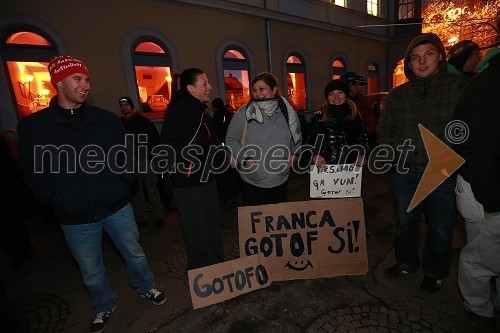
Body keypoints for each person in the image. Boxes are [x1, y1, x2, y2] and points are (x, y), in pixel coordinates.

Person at [17, 55, 166, 333]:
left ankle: (146, 286)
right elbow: (32, 171)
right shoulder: (35, 128)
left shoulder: (106, 120)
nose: (85, 85)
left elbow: (125, 158)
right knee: (91, 269)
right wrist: (55, 199)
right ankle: (103, 304)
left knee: (134, 252)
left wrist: (123, 185)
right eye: (78, 79)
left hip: (116, 207)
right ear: (59, 83)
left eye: (87, 79)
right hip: (74, 217)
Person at [378, 33, 470, 293]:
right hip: (405, 171)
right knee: (405, 223)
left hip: (442, 172)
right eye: (415, 58)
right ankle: (406, 262)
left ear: (439, 56)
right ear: (409, 63)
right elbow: (385, 130)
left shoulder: (459, 87)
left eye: (428, 54)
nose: (422, 62)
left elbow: (471, 127)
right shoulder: (399, 95)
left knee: (441, 228)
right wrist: (395, 155)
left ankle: (434, 272)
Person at [159, 67, 224, 270]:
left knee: (212, 225)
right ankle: (201, 275)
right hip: (187, 184)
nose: (210, 87)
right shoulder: (179, 112)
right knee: (196, 231)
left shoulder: (203, 114)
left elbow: (211, 144)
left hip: (207, 180)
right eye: (204, 83)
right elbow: (167, 147)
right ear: (190, 88)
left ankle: (218, 268)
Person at [454, 48, 500, 332]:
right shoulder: (489, 84)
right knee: (480, 257)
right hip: (487, 191)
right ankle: (478, 307)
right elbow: (480, 146)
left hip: (485, 187)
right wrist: (493, 203)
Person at [225, 72, 302, 206]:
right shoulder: (244, 112)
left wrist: (295, 155)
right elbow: (231, 139)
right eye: (254, 90)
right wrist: (246, 160)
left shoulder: (288, 112)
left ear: (274, 89)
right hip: (253, 179)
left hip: (280, 177)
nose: (257, 93)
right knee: (257, 221)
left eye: (262, 89)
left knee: (278, 220)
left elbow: (297, 137)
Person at [119, 96, 165, 228]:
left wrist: (151, 157)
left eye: (127, 104)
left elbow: (154, 140)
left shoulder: (142, 121)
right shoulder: (120, 123)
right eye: (122, 105)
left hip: (144, 160)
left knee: (152, 189)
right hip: (130, 163)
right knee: (136, 192)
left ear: (132, 106)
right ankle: (141, 218)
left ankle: (159, 216)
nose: (124, 107)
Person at [307, 79, 368, 167]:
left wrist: (363, 155)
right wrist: (315, 155)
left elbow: (362, 139)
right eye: (331, 94)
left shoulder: (354, 115)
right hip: (325, 167)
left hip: (351, 167)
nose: (336, 97)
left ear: (345, 95)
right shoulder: (319, 117)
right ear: (327, 98)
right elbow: (309, 143)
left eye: (340, 92)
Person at [0, 129, 38, 267]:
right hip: (9, 190)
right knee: (12, 222)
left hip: (8, 191)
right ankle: (21, 251)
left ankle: (21, 251)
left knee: (12, 222)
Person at [211, 97, 238, 210]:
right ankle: (234, 192)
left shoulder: (218, 116)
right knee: (231, 170)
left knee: (226, 172)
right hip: (229, 146)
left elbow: (218, 132)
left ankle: (231, 195)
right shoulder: (228, 115)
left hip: (223, 147)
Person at [340, 72, 378, 152]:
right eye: (357, 84)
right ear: (351, 85)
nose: (359, 87)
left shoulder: (359, 101)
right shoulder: (358, 103)